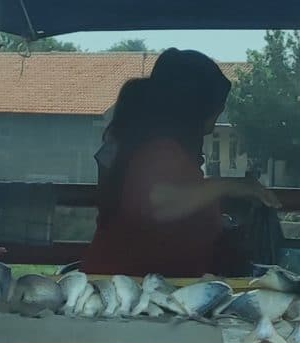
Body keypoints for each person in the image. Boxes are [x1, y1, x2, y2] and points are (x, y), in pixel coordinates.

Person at [82, 49, 277, 278]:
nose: (214, 126)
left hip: (139, 280)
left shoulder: (142, 143)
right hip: (129, 288)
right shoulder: (159, 150)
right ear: (196, 105)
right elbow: (157, 203)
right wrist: (230, 186)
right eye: (217, 109)